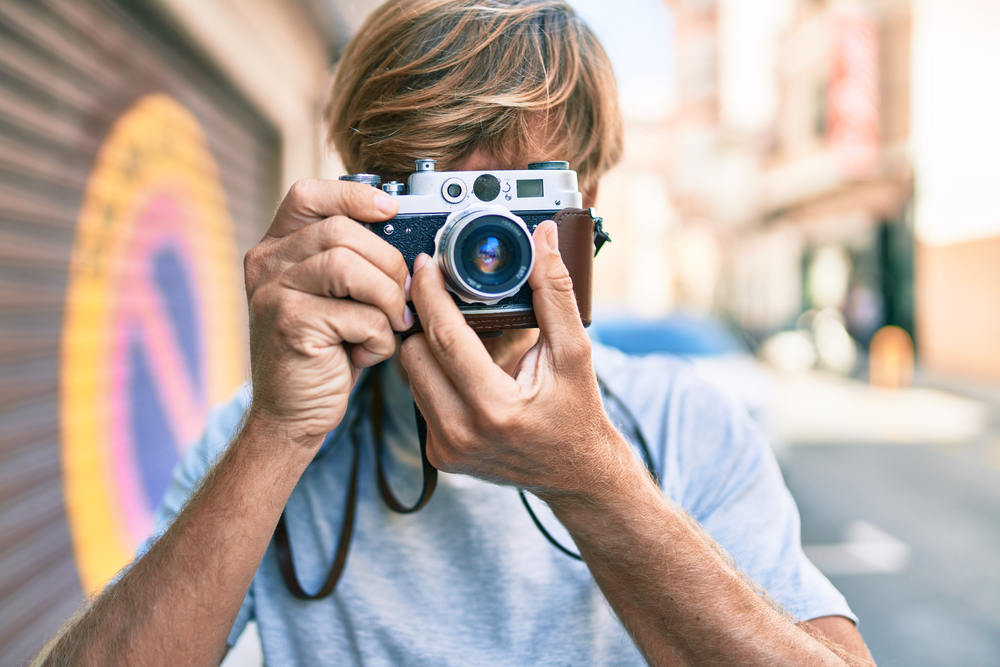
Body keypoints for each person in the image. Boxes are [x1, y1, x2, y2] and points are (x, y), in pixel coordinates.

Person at [35, 1, 875, 665]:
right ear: (362, 205)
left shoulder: (683, 425)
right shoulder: (272, 432)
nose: (481, 252)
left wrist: (595, 480)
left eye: (515, 207)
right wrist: (279, 432)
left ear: (589, 212)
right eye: (439, 210)